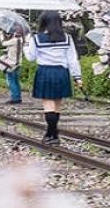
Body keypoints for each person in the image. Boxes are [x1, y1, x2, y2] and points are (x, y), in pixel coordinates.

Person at [24, 11, 82, 145]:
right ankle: (53, 134)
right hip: (62, 72)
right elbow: (72, 59)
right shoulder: (67, 38)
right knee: (56, 105)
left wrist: (26, 45)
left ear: (43, 22)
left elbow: (31, 57)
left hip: (45, 71)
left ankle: (51, 134)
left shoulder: (37, 38)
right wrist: (77, 76)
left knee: (48, 104)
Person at [0, 29, 24, 104]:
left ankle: (15, 98)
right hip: (18, 63)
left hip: (11, 64)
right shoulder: (20, 40)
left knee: (11, 81)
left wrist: (1, 35)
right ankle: (18, 97)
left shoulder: (14, 40)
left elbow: (3, 43)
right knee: (16, 81)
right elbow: (12, 48)